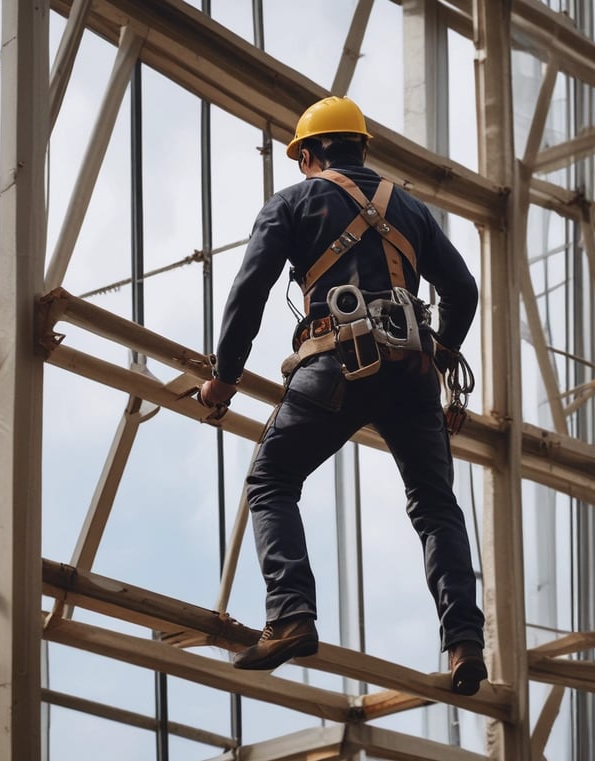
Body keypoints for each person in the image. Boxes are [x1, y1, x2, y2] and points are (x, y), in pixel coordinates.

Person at [199, 96, 486, 694]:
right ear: (361, 146)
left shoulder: (293, 202)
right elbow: (462, 289)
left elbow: (249, 292)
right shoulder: (410, 207)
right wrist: (436, 355)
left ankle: (291, 616)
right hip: (409, 374)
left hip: (335, 365)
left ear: (308, 153)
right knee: (435, 505)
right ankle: (464, 643)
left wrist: (225, 375)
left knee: (271, 482)